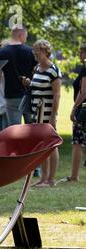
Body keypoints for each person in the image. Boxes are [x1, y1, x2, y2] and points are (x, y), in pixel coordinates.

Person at [23, 40, 62, 188]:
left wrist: (53, 116)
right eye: (34, 53)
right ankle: (43, 178)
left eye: (37, 53)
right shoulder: (36, 69)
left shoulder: (54, 70)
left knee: (51, 145)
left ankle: (51, 179)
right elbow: (35, 88)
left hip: (47, 113)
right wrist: (28, 83)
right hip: (36, 112)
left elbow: (57, 95)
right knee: (41, 145)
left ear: (46, 52)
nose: (35, 55)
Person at [0, 26, 37, 126]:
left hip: (12, 96)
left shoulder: (1, 53)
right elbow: (36, 73)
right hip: (30, 95)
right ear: (21, 35)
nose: (26, 39)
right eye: (26, 36)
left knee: (15, 130)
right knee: (32, 128)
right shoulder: (31, 52)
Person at [60, 44, 86, 183]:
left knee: (77, 141)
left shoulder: (85, 69)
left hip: (83, 110)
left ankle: (74, 176)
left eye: (81, 52)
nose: (80, 55)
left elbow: (84, 91)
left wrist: (74, 108)